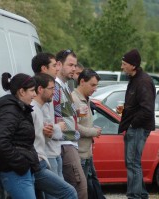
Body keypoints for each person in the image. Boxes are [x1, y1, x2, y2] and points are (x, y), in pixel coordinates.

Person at [0, 73, 39, 199]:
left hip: (22, 171)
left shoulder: (20, 108)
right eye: (32, 91)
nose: (35, 95)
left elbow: (25, 142)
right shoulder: (10, 110)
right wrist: (21, 164)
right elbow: (0, 141)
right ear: (21, 92)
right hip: (15, 172)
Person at [118, 49, 156, 199]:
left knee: (133, 163)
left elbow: (147, 109)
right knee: (133, 163)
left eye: (124, 64)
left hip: (138, 128)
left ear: (133, 65)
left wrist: (132, 124)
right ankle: (141, 194)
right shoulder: (135, 79)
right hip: (134, 127)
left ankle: (134, 196)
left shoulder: (143, 81)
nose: (122, 67)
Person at [31, 73, 77, 199]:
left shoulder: (38, 108)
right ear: (40, 89)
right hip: (38, 162)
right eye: (52, 89)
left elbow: (43, 135)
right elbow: (35, 137)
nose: (54, 92)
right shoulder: (34, 109)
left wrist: (50, 131)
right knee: (69, 192)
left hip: (42, 160)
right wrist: (55, 129)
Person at [54, 49, 88, 199]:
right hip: (65, 143)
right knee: (80, 188)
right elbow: (50, 113)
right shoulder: (55, 87)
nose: (74, 69)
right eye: (70, 65)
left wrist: (75, 112)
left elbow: (62, 111)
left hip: (69, 142)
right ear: (59, 65)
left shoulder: (66, 86)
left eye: (75, 65)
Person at [71, 68, 105, 199]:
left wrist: (92, 127)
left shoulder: (86, 98)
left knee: (91, 189)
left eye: (96, 85)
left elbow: (82, 122)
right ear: (82, 82)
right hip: (79, 154)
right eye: (93, 85)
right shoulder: (74, 99)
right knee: (81, 191)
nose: (95, 89)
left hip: (87, 153)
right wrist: (92, 131)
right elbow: (72, 125)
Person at [31, 52, 65, 179]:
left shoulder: (50, 89)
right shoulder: (40, 94)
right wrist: (59, 127)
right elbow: (45, 129)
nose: (57, 68)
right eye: (54, 65)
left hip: (55, 150)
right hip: (46, 154)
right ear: (44, 68)